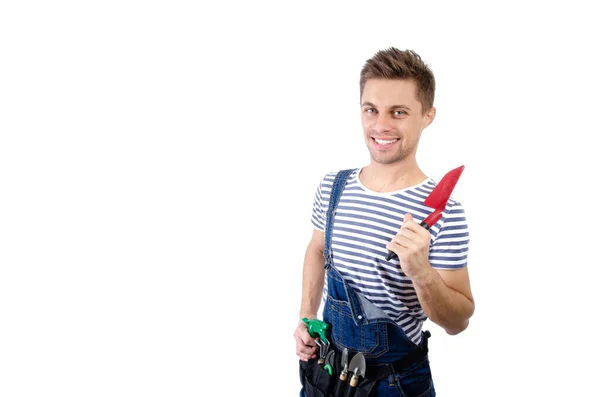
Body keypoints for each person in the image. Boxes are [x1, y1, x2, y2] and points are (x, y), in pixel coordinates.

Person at [294, 48, 475, 397]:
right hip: (328, 370)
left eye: (399, 112)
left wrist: (420, 270)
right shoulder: (334, 186)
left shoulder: (445, 212)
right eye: (371, 110)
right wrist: (305, 317)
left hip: (395, 384)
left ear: (427, 115)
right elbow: (317, 251)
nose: (381, 125)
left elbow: (458, 322)